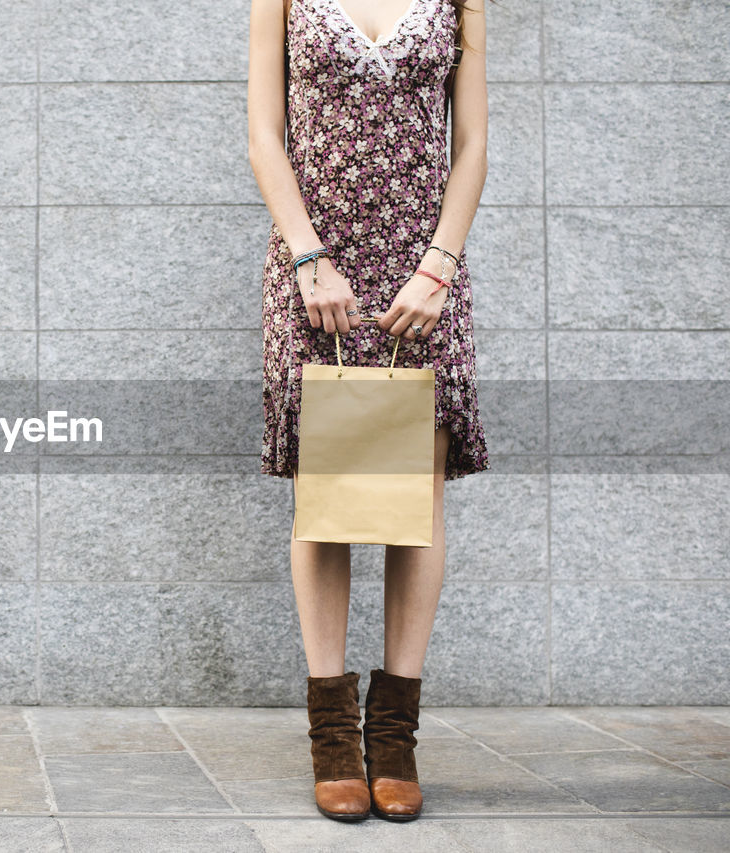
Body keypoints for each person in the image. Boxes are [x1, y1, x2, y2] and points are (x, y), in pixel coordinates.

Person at [246, 0, 491, 822]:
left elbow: (472, 143)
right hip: (317, 269)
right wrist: (308, 258)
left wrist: (440, 266)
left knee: (414, 497)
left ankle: (394, 738)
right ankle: (330, 740)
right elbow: (265, 134)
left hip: (423, 270)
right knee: (325, 494)